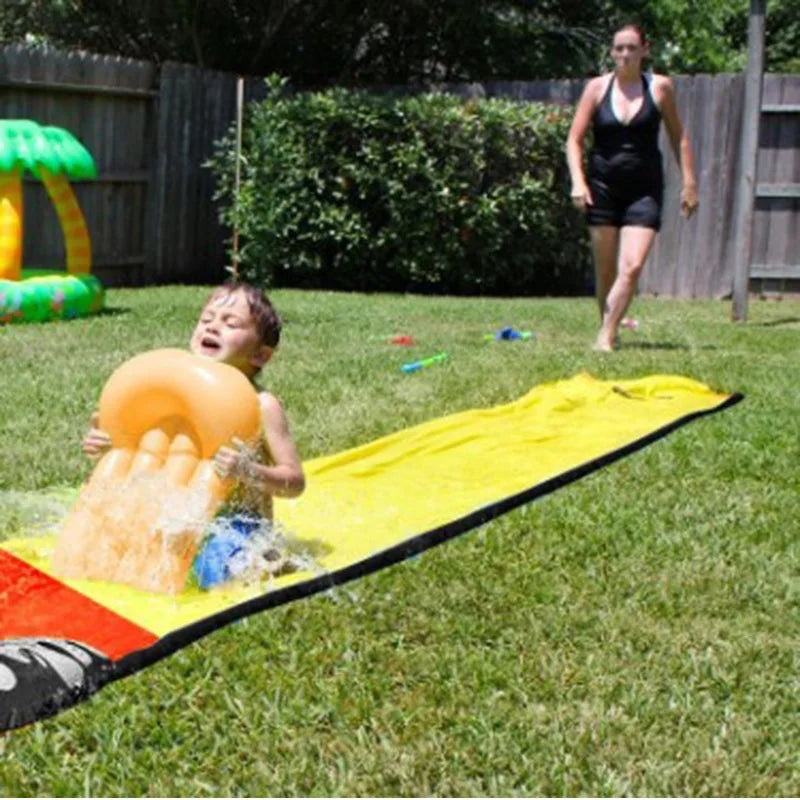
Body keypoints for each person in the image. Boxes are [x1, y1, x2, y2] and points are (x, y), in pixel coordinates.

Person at [82, 281, 306, 585]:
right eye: (206, 319)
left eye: (231, 323)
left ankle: (272, 561)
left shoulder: (261, 405)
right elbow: (145, 456)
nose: (213, 327)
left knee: (215, 574)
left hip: (236, 524)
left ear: (261, 356)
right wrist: (106, 446)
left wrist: (248, 470)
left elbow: (294, 483)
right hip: (181, 511)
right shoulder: (171, 394)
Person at [566, 22, 698, 351]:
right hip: (602, 188)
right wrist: (578, 181)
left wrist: (690, 183)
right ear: (612, 52)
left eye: (631, 48)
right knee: (606, 271)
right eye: (618, 48)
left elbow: (677, 135)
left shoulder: (659, 88)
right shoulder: (597, 89)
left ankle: (605, 335)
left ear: (644, 50)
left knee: (633, 265)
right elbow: (574, 139)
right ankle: (609, 327)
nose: (624, 54)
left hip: (644, 191)